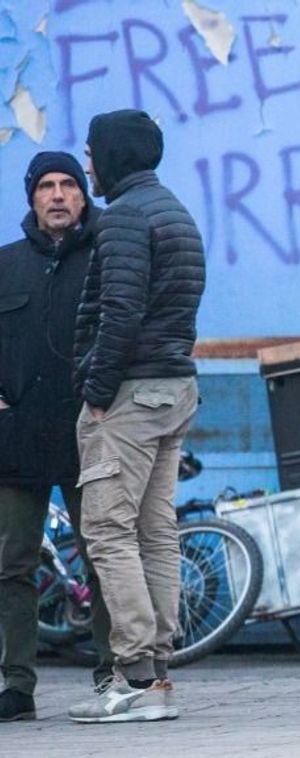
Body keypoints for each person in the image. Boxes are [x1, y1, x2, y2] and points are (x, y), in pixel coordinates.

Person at [66, 109, 205, 724]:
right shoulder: (174, 211)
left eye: (92, 154)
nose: (87, 165)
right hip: (174, 389)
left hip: (129, 395)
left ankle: (134, 678)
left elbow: (119, 311)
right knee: (155, 531)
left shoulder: (124, 216)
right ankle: (158, 678)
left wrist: (96, 390)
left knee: (108, 531)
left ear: (113, 156)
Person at [0, 152, 110, 722]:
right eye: (47, 186)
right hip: (16, 438)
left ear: (84, 195)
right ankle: (16, 685)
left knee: (103, 558)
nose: (60, 194)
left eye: (70, 183)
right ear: (32, 197)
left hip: (88, 436)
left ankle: (113, 673)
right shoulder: (6, 265)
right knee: (10, 564)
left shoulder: (102, 259)